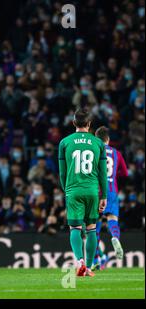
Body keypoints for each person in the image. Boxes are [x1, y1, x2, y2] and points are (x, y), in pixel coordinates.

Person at [58, 108, 107, 277]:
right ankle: (90, 265)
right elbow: (102, 173)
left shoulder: (64, 142)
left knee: (75, 228)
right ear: (89, 124)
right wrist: (104, 196)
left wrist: (66, 190)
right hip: (92, 191)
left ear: (73, 123)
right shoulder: (98, 143)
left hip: (73, 190)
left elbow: (62, 173)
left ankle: (80, 261)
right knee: (92, 228)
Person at [92, 126, 128, 270]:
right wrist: (113, 176)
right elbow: (125, 173)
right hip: (111, 191)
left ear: (96, 139)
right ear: (108, 139)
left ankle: (96, 259)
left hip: (95, 191)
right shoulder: (116, 153)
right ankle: (115, 236)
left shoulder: (93, 151)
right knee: (112, 218)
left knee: (93, 227)